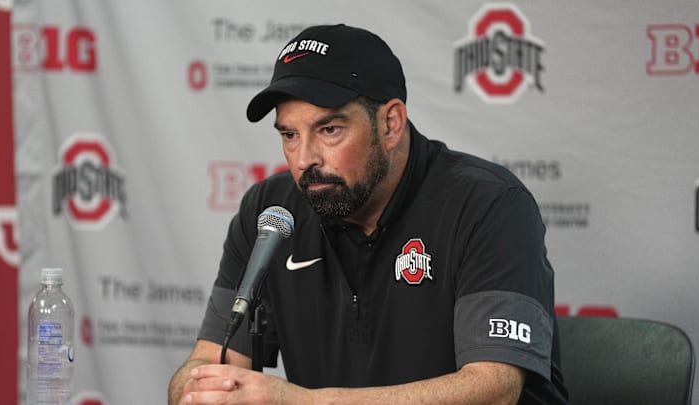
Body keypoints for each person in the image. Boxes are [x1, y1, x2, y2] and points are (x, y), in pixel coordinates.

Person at [169, 23, 568, 405]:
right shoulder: (270, 213)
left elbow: (493, 389)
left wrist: (305, 403)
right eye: (289, 135)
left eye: (329, 131)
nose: (305, 159)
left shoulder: (487, 203)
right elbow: (208, 359)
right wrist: (197, 390)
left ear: (391, 123)